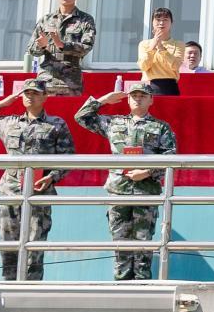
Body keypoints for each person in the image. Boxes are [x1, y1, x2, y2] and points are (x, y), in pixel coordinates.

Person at [0, 79, 73, 281]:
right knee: (8, 244)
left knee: (35, 245)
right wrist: (2, 103)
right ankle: (9, 284)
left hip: (39, 193)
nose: (30, 97)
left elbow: (68, 158)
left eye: (35, 93)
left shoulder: (56, 125)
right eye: (26, 93)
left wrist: (52, 177)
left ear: (45, 97)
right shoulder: (9, 122)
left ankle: (31, 287)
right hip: (11, 191)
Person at [74, 85, 177, 281]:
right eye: (134, 95)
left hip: (146, 191)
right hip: (118, 190)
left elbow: (170, 156)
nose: (138, 99)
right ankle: (121, 285)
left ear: (151, 100)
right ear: (128, 99)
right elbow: (81, 117)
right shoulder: (114, 122)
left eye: (142, 96)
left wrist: (148, 172)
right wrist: (104, 99)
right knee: (119, 242)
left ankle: (142, 285)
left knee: (143, 243)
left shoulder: (160, 127)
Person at [29, 0, 97, 96]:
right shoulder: (46, 19)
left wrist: (62, 45)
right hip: (46, 79)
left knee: (69, 108)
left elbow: (87, 47)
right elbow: (32, 50)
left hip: (70, 80)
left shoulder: (85, 19)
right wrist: (41, 46)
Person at [137, 7, 184, 96]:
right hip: (148, 85)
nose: (161, 23)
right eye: (158, 20)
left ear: (171, 22)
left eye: (165, 19)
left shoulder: (178, 44)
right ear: (152, 22)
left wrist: (161, 47)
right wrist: (153, 46)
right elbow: (143, 66)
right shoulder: (144, 44)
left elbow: (176, 66)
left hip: (169, 86)